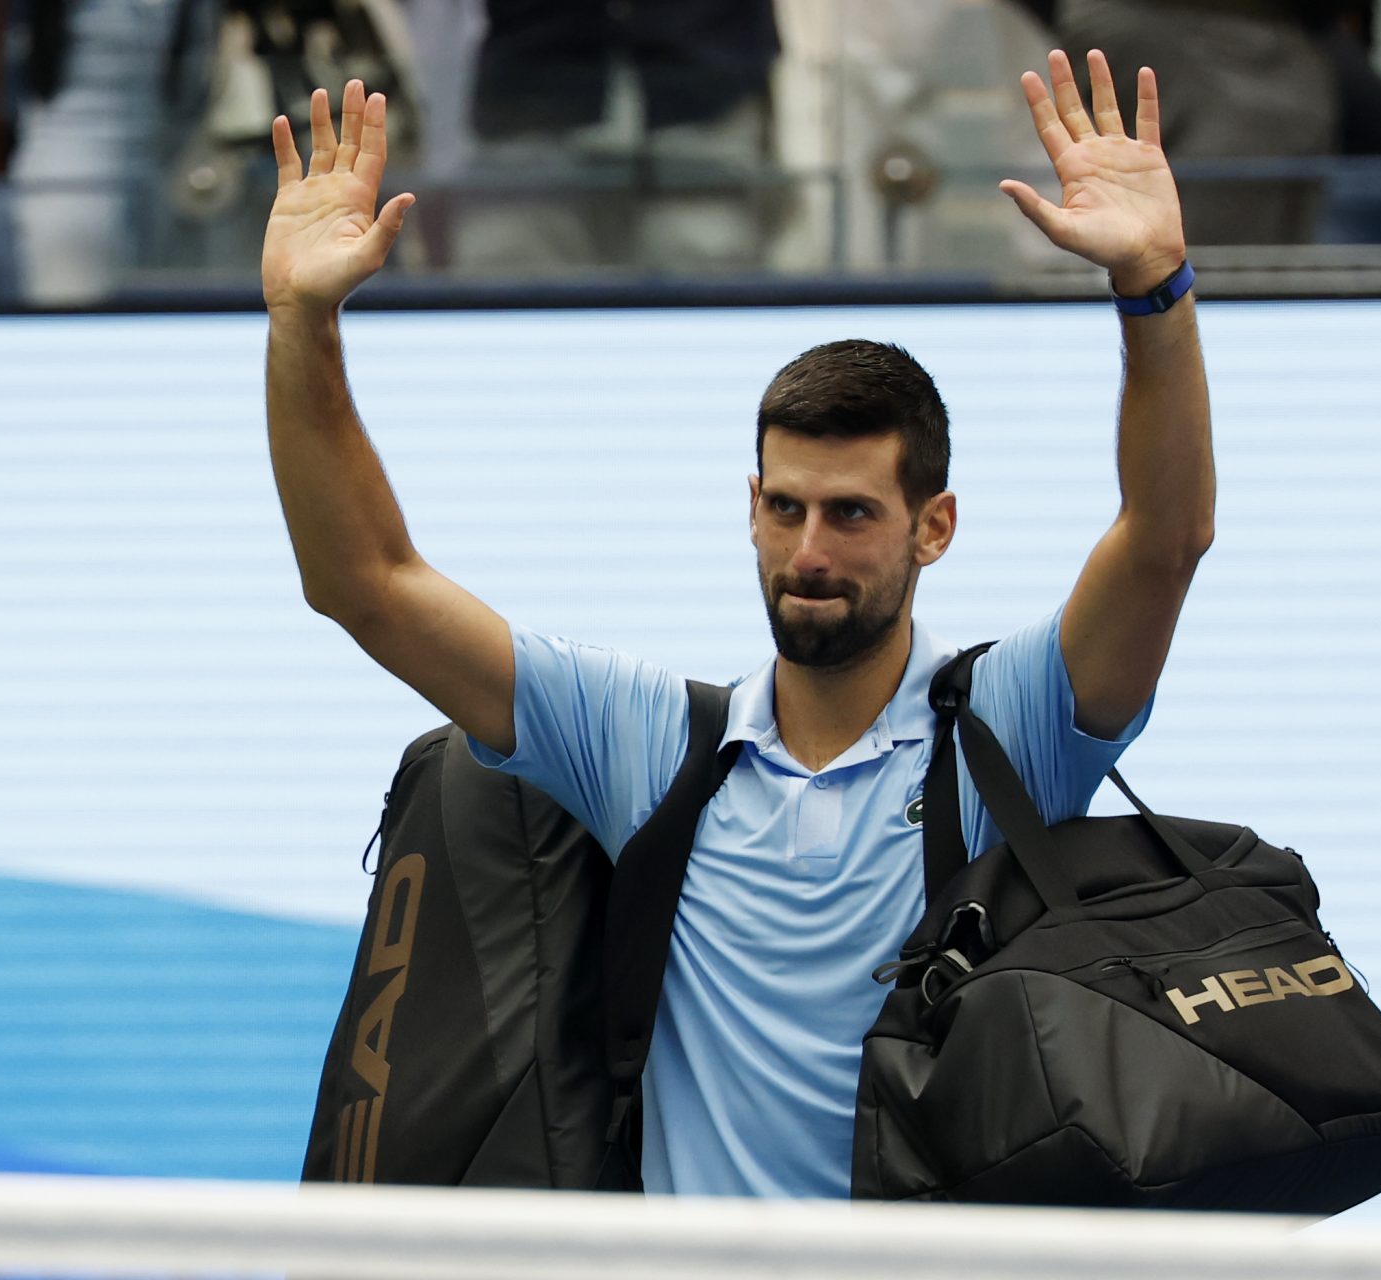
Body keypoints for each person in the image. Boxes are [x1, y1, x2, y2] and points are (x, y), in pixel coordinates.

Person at [261, 53, 1214, 1197]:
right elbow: (362, 579)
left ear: (935, 527)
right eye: (785, 506)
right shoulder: (650, 743)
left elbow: (1164, 540)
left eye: (854, 514)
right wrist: (302, 320)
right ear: (750, 507)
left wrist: (1155, 289)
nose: (810, 551)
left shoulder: (1008, 732)